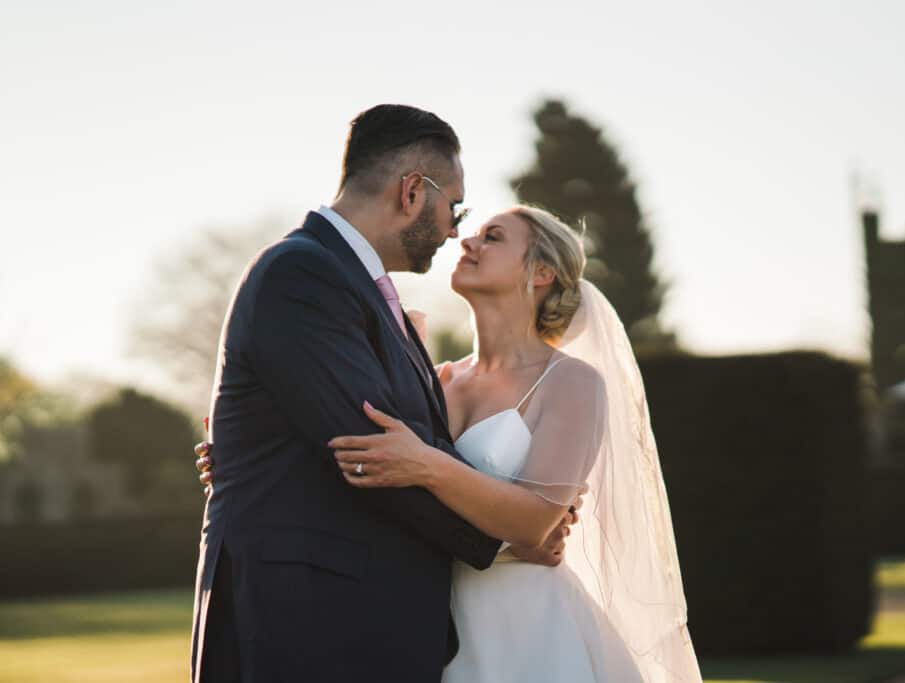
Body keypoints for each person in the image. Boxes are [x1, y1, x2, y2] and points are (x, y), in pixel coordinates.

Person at [199, 203, 702, 681]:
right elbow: (358, 459)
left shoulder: (572, 382)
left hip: (525, 626)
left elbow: (534, 523)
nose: (468, 240)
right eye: (475, 231)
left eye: (493, 237)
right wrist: (243, 456)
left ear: (542, 272)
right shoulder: (432, 380)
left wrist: (427, 464)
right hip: (426, 621)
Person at [190, 104, 575, 683]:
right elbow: (371, 450)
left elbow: (405, 444)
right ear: (413, 192)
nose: (454, 229)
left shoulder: (360, 289)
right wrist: (507, 540)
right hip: (304, 625)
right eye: (456, 206)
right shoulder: (303, 274)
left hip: (350, 623)